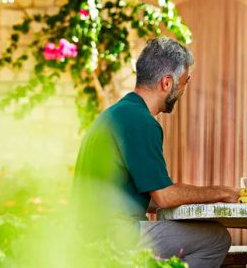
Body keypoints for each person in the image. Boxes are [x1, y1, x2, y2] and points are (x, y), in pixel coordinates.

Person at [72, 37, 238, 268]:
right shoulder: (141, 121)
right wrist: (222, 192)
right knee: (215, 238)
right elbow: (164, 196)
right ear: (167, 83)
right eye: (185, 82)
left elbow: (145, 196)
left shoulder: (116, 114)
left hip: (88, 236)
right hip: (114, 237)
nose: (183, 91)